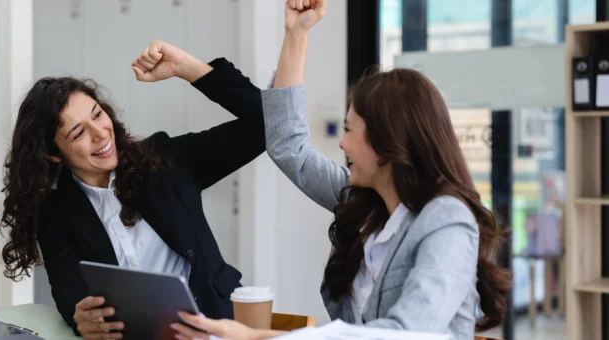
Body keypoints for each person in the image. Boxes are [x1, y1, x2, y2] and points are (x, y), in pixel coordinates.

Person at [172, 1, 511, 339]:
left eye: (350, 131)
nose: (342, 144)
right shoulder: (365, 203)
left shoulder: (446, 220)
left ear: (387, 143)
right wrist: (296, 33)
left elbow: (406, 334)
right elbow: (288, 146)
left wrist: (258, 337)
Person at [0, 40, 264, 339]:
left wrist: (187, 68)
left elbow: (267, 122)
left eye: (98, 115)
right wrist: (82, 318)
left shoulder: (165, 160)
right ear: (53, 154)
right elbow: (70, 295)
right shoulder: (56, 211)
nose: (100, 134)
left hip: (216, 327)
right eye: (78, 133)